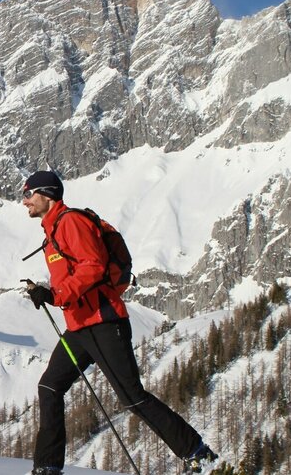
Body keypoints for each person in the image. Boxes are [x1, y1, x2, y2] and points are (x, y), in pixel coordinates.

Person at [20, 170, 217, 475]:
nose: (24, 202)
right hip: (79, 327)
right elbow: (71, 273)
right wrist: (44, 291)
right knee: (49, 386)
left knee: (132, 398)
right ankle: (47, 467)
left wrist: (56, 294)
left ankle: (197, 452)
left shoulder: (70, 221)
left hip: (102, 322)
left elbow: (94, 266)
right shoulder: (52, 230)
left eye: (28, 194)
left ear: (45, 194)